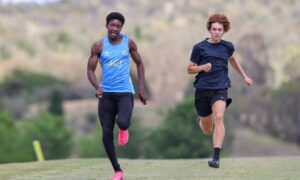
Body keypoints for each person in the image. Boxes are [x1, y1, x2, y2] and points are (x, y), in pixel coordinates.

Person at [187, 13, 253, 168]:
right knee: (208, 130)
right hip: (203, 89)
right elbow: (189, 69)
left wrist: (245, 76)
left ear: (224, 31)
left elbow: (232, 59)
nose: (216, 32)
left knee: (219, 117)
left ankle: (216, 158)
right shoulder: (199, 47)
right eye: (214, 29)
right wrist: (202, 67)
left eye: (219, 29)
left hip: (220, 87)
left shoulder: (228, 46)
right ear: (209, 29)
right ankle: (202, 120)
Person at [87, 12, 147, 180]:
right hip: (105, 94)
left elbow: (140, 63)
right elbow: (90, 70)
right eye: (112, 25)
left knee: (122, 122)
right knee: (106, 134)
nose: (115, 29)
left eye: (118, 26)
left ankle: (123, 129)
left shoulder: (129, 43)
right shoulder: (98, 46)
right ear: (106, 25)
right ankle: (118, 171)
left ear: (121, 28)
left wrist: (141, 87)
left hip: (124, 93)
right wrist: (97, 87)